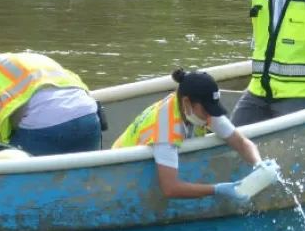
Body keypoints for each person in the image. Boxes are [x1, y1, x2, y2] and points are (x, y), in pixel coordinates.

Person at [112, 67, 271, 203]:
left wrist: (259, 164)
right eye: (207, 110)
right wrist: (218, 189)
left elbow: (242, 143)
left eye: (213, 109)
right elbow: (170, 188)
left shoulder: (198, 109)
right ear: (187, 103)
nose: (211, 116)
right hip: (119, 172)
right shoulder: (165, 130)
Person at [0, 52, 103, 157]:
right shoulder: (37, 59)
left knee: (14, 167)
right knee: (86, 174)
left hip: (43, 125)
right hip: (89, 115)